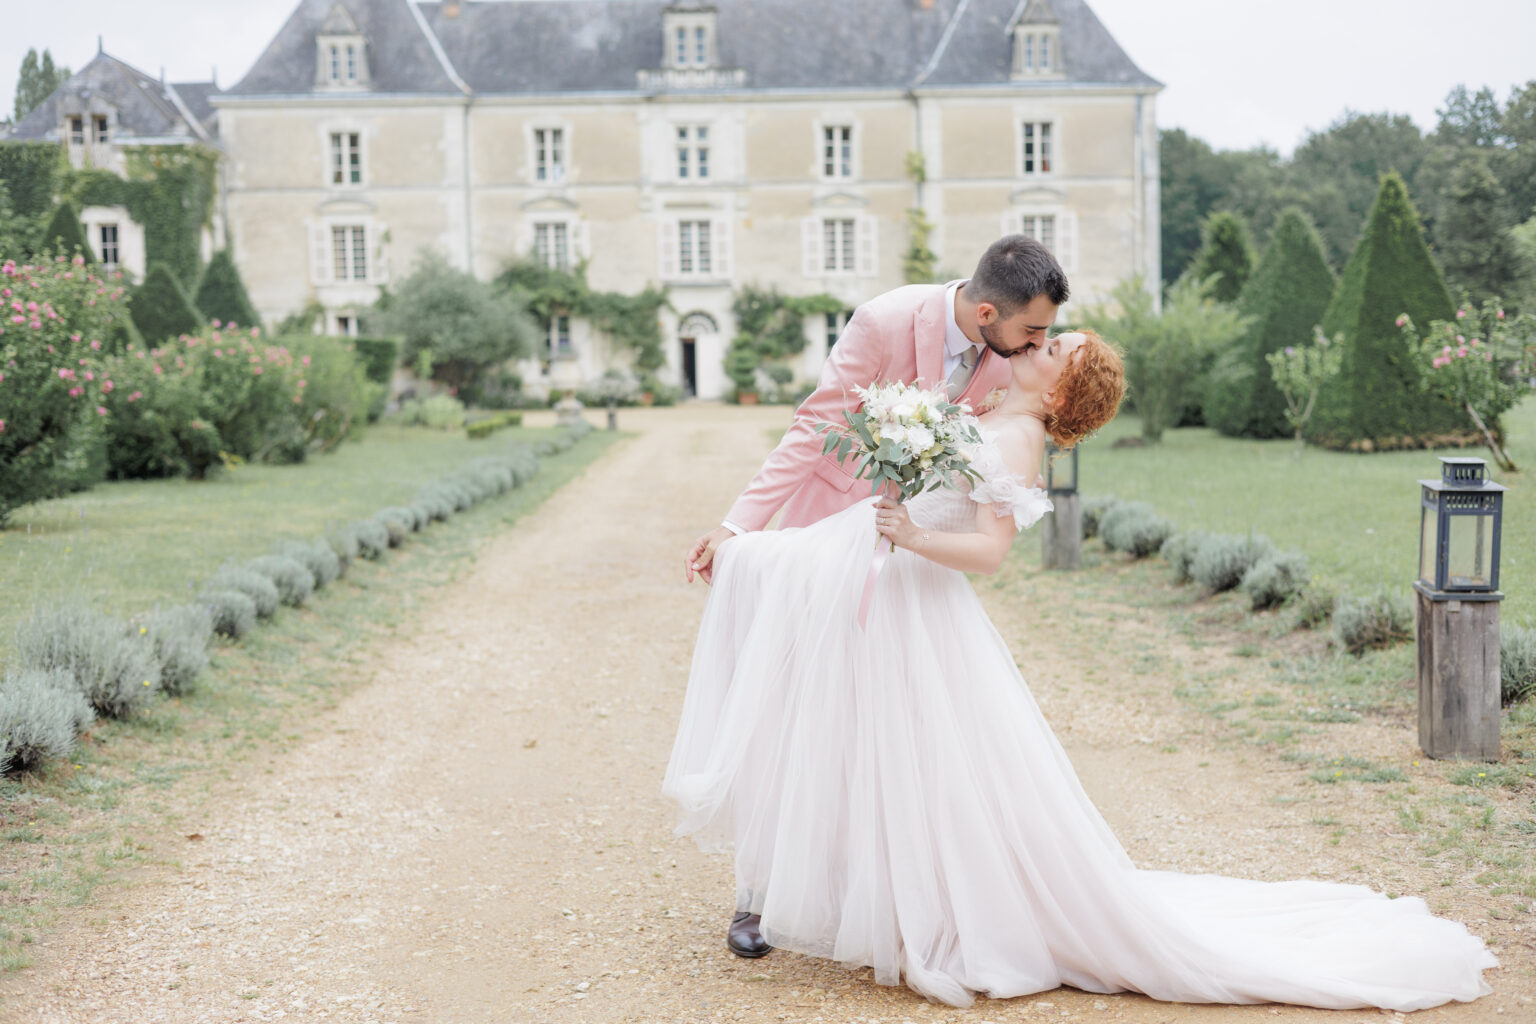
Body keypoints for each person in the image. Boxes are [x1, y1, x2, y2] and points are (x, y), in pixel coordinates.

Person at [663, 329, 1497, 1010]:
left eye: (1058, 347)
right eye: (1051, 335)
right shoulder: (988, 408)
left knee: (929, 758)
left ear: (1061, 393)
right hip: (889, 586)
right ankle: (888, 899)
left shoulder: (1020, 439)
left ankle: (934, 912)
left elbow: (989, 552)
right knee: (900, 749)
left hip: (919, 592)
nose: (1043, 342)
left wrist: (909, 534)